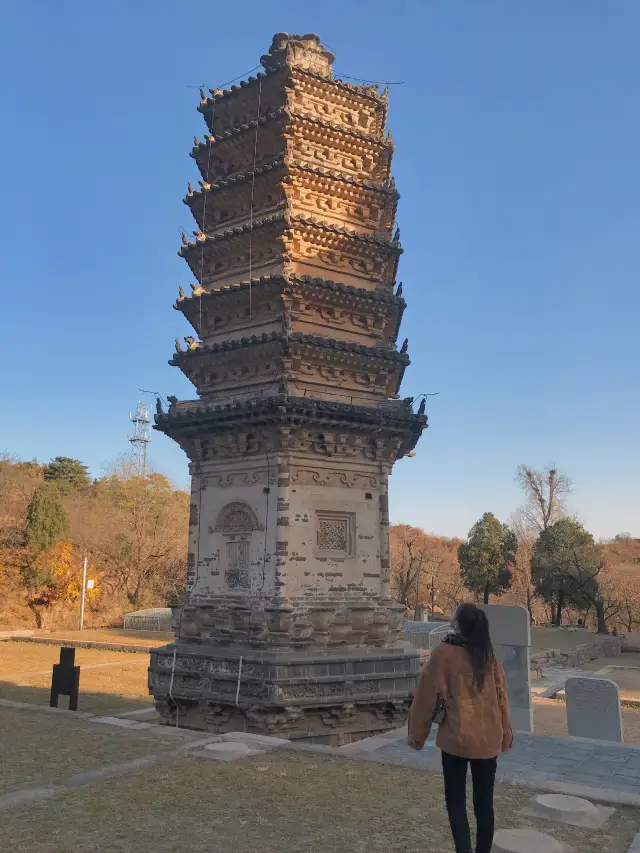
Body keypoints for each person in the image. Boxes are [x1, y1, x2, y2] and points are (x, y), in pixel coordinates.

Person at [408, 603, 513, 853]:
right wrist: (506, 734)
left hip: (456, 737)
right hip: (488, 739)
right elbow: (502, 698)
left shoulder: (445, 652)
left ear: (457, 623)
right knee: (484, 805)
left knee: (456, 803)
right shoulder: (487, 654)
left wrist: (417, 736)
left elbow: (425, 695)